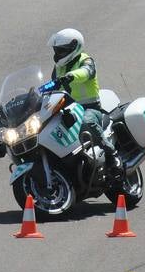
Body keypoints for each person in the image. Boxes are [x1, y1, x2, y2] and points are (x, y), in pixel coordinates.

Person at [48, 28, 123, 178]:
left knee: (86, 122)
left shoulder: (86, 60)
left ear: (73, 47)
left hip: (90, 108)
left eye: (62, 50)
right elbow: (51, 86)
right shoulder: (59, 68)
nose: (58, 54)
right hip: (68, 110)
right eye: (57, 50)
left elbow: (87, 72)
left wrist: (71, 76)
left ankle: (111, 154)